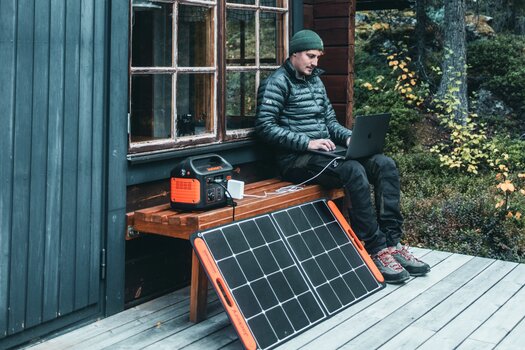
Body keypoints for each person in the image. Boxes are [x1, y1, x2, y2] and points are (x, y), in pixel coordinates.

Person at [255, 29, 430, 283]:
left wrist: (349, 138)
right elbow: (265, 127)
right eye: (310, 56)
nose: (315, 63)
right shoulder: (277, 83)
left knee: (385, 164)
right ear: (294, 53)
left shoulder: (315, 80)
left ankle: (393, 243)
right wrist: (308, 143)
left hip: (324, 155)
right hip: (295, 161)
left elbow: (330, 123)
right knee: (353, 170)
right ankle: (375, 248)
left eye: (318, 57)